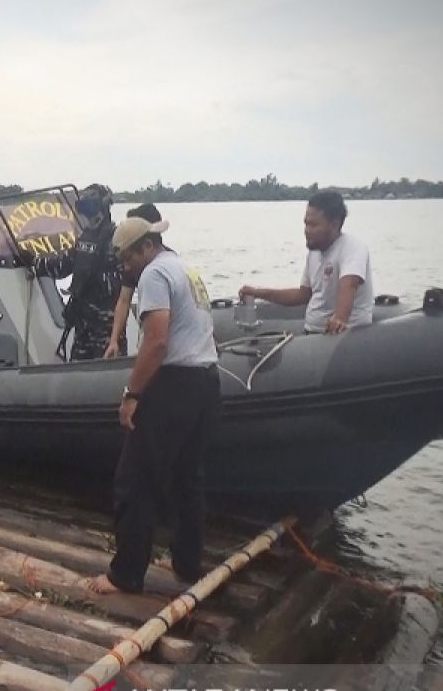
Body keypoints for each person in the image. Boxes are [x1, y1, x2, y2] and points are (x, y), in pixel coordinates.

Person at [88, 216, 220, 595]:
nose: (124, 268)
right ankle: (187, 566)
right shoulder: (185, 268)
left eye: (127, 259)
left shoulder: (154, 276)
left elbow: (156, 340)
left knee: (134, 480)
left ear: (146, 247)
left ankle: (126, 574)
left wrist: (132, 394)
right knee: (188, 478)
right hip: (206, 382)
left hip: (175, 383)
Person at [239, 191, 373, 335]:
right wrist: (257, 292)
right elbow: (302, 295)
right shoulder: (314, 253)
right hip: (312, 333)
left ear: (334, 224)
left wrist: (340, 318)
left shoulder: (353, 248)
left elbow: (349, 284)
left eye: (313, 225)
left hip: (343, 338)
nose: (307, 231)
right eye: (306, 224)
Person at [19, 183, 124, 360]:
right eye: (83, 208)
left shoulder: (118, 239)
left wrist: (95, 280)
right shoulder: (85, 239)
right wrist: (34, 261)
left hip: (107, 327)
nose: (87, 215)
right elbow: (64, 264)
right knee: (79, 370)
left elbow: (127, 282)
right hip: (83, 325)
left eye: (90, 208)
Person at [104, 203, 168, 359]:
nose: (126, 267)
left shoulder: (159, 270)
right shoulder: (134, 262)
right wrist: (114, 340)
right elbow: (124, 300)